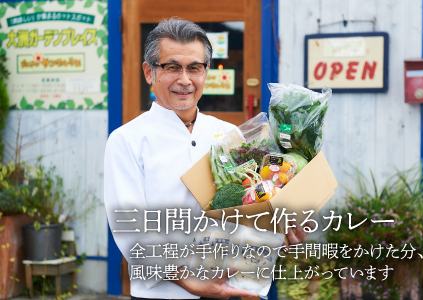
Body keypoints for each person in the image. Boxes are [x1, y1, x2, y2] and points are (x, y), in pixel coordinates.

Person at [104, 18, 310, 300]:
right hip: (164, 294)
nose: (185, 80)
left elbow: (253, 207)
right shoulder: (126, 140)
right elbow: (129, 228)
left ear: (206, 73)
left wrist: (283, 234)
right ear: (149, 72)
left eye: (195, 68)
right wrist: (189, 281)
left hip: (236, 287)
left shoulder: (229, 135)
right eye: (172, 67)